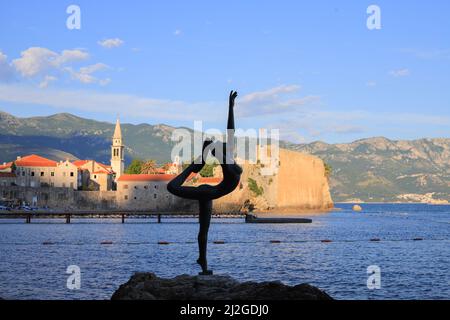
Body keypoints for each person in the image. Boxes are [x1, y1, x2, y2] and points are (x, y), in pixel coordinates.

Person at [167, 91, 242, 275]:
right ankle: (196, 163)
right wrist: (210, 149)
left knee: (204, 230)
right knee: (172, 188)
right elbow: (229, 136)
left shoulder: (229, 158)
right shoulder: (228, 164)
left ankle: (203, 260)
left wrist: (230, 107)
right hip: (208, 193)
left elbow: (230, 131)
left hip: (209, 193)